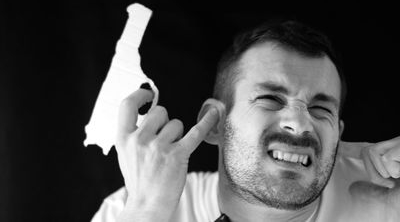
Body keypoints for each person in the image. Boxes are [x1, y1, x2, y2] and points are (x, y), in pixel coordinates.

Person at [91, 20, 400, 222]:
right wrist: (146, 211)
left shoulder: (386, 207)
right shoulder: (127, 211)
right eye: (271, 99)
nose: (301, 123)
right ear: (214, 124)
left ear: (337, 136)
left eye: (321, 109)